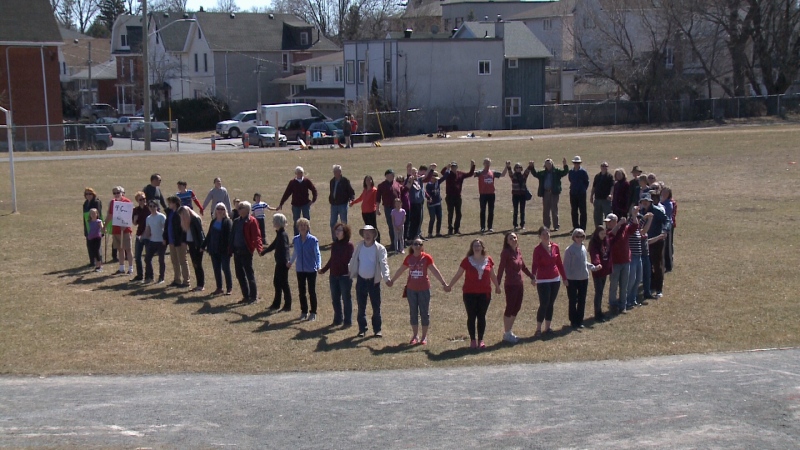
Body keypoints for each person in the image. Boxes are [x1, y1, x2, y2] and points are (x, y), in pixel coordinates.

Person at [387, 239, 448, 345]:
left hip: (424, 289)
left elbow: (435, 271)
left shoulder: (426, 258)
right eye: (415, 244)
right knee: (413, 313)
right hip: (411, 290)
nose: (417, 246)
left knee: (424, 313)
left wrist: (444, 283)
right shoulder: (409, 258)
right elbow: (401, 270)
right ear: (412, 246)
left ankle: (424, 337)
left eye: (420, 244)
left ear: (422, 246)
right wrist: (392, 280)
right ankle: (415, 336)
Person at [445, 239, 501, 349]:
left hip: (485, 293)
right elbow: (458, 274)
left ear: (482, 248)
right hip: (469, 293)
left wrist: (497, 287)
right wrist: (450, 285)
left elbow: (492, 275)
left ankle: (481, 340)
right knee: (471, 316)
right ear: (472, 248)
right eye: (475, 245)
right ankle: (473, 340)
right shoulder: (467, 261)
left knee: (481, 316)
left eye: (479, 245)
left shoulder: (488, 260)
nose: (477, 247)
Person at [349, 225, 391, 337]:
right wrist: (349, 271)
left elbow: (384, 264)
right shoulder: (359, 246)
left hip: (374, 282)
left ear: (374, 235)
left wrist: (387, 278)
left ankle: (377, 330)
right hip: (361, 281)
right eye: (365, 233)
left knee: (376, 307)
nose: (367, 235)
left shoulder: (380, 248)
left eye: (370, 233)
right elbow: (353, 260)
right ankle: (362, 329)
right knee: (361, 307)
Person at [530, 227, 567, 336]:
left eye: (547, 233)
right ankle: (538, 329)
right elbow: (535, 264)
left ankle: (548, 327)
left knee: (551, 303)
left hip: (555, 279)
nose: (546, 236)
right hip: (543, 280)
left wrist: (564, 278)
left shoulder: (555, 247)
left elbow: (559, 263)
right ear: (540, 236)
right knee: (544, 303)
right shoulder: (537, 249)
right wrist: (533, 277)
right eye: (543, 234)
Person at [496, 232, 533, 344]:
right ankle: (507, 333)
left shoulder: (518, 251)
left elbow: (523, 266)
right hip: (510, 284)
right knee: (510, 307)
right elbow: (501, 268)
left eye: (515, 237)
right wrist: (497, 285)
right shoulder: (505, 253)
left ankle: (508, 332)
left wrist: (532, 276)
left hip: (519, 283)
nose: (513, 239)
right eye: (511, 238)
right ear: (507, 241)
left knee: (517, 307)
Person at [563, 228, 600, 328]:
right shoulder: (569, 250)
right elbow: (565, 266)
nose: (580, 238)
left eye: (582, 236)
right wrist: (565, 279)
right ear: (573, 237)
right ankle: (573, 321)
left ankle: (579, 320)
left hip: (584, 278)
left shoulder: (583, 248)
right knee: (572, 300)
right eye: (577, 236)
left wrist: (593, 267)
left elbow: (584, 263)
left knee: (582, 300)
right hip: (572, 279)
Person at [319, 222, 355, 327]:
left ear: (345, 232)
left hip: (345, 277)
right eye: (336, 230)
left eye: (339, 230)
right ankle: (337, 319)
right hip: (333, 276)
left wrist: (350, 271)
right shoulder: (334, 245)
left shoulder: (349, 245)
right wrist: (324, 270)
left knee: (346, 299)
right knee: (335, 299)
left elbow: (351, 260)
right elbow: (332, 260)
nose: (337, 232)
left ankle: (347, 321)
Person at [230, 201, 262, 303]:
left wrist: (259, 249)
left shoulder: (252, 221)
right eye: (238, 207)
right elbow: (232, 236)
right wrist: (230, 249)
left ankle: (253, 296)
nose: (238, 209)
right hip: (237, 251)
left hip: (246, 250)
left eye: (241, 207)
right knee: (239, 274)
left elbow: (257, 236)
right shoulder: (236, 221)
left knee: (249, 274)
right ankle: (246, 296)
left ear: (247, 209)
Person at [290, 218, 322, 321]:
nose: (303, 227)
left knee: (311, 291)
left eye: (305, 226)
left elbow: (317, 253)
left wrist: (319, 265)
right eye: (301, 226)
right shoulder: (296, 240)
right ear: (298, 227)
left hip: (311, 270)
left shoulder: (313, 240)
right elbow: (295, 253)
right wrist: (290, 262)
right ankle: (304, 312)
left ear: (308, 227)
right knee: (301, 291)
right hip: (300, 269)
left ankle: (313, 312)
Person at [261, 214, 292, 311]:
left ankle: (287, 305)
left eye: (274, 221)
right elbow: (274, 245)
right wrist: (264, 251)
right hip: (280, 262)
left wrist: (286, 261)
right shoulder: (280, 233)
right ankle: (276, 304)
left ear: (278, 222)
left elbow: (286, 249)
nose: (273, 222)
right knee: (277, 283)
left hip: (282, 263)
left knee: (283, 284)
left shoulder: (283, 235)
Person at [640, 193, 668, 298]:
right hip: (645, 242)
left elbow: (667, 220)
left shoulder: (657, 211)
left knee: (657, 265)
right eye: (643, 201)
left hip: (657, 242)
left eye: (646, 201)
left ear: (650, 201)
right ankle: (651, 286)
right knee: (648, 265)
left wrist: (665, 230)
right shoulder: (641, 212)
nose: (644, 203)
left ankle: (659, 289)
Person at [605, 213, 635, 313]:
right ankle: (613, 305)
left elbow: (635, 227)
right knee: (613, 285)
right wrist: (619, 225)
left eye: (609, 222)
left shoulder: (625, 229)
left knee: (624, 285)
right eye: (607, 222)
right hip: (614, 263)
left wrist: (634, 215)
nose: (607, 224)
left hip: (626, 261)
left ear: (614, 221)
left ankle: (623, 306)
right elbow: (610, 236)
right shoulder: (608, 232)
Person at [277, 166, 318, 236]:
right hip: (295, 205)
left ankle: (308, 235)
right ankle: (296, 236)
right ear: (296, 173)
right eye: (298, 173)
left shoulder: (306, 181)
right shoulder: (292, 182)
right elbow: (287, 193)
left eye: (301, 172)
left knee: (307, 221)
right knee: (296, 221)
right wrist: (281, 203)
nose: (300, 174)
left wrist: (313, 200)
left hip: (305, 204)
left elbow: (314, 190)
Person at [202, 202, 233, 295]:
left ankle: (229, 288)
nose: (220, 211)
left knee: (225, 268)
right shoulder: (213, 221)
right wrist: (203, 246)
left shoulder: (228, 222)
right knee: (216, 269)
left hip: (224, 250)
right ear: (215, 210)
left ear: (225, 211)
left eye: (222, 209)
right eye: (218, 209)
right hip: (213, 249)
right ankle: (219, 288)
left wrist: (229, 250)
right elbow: (209, 235)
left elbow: (230, 237)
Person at [531, 158, 569, 231]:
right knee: (546, 210)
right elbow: (535, 174)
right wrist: (532, 167)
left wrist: (565, 165)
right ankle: (546, 226)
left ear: (552, 164)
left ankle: (556, 226)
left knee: (554, 209)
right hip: (546, 193)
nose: (548, 165)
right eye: (547, 164)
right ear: (545, 165)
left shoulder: (556, 172)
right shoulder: (542, 173)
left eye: (549, 163)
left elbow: (565, 172)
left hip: (554, 193)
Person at [472, 158, 508, 233]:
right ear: (483, 164)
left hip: (491, 194)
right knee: (483, 211)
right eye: (486, 163)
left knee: (491, 211)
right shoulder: (480, 172)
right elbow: (473, 173)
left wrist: (506, 166)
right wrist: (472, 165)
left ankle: (490, 227)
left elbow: (502, 174)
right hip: (483, 194)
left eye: (489, 163)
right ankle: (482, 227)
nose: (487, 164)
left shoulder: (492, 172)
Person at [441, 160, 475, 235]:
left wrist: (473, 166)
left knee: (459, 213)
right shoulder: (448, 173)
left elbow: (470, 174)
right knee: (450, 213)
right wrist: (447, 167)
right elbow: (442, 172)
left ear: (457, 167)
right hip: (449, 197)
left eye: (454, 166)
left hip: (458, 197)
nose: (453, 168)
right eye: (452, 167)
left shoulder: (460, 174)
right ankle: (450, 229)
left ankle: (456, 229)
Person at [107, 186, 133, 275]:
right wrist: (105, 226)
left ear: (122, 192)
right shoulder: (112, 203)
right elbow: (110, 215)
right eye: (114, 193)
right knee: (120, 249)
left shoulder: (127, 202)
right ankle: (121, 268)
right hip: (116, 229)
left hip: (125, 230)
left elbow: (129, 216)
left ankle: (131, 268)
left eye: (118, 192)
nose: (116, 194)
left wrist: (125, 226)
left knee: (128, 249)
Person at [164, 196, 190, 287]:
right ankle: (177, 280)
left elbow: (184, 228)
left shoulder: (181, 213)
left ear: (175, 203)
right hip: (171, 241)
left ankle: (186, 281)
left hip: (180, 241)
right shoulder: (170, 212)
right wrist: (165, 238)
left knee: (182, 260)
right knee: (174, 261)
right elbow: (167, 226)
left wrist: (183, 240)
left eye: (170, 202)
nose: (169, 204)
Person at [588, 226, 612, 322]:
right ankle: (597, 314)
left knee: (601, 292)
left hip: (604, 271)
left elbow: (609, 253)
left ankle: (600, 312)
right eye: (601, 233)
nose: (603, 235)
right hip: (598, 271)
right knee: (598, 292)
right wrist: (597, 263)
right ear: (597, 233)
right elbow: (595, 254)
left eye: (604, 233)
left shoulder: (606, 241)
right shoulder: (594, 243)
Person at [179, 206, 206, 292]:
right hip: (191, 245)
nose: (182, 216)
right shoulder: (185, 221)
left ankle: (201, 285)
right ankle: (198, 284)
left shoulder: (195, 219)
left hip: (197, 245)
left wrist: (202, 246)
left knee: (198, 264)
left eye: (183, 214)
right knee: (195, 264)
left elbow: (200, 233)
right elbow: (185, 233)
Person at [626, 207, 646, 309]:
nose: (638, 219)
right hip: (632, 257)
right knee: (631, 280)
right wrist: (634, 214)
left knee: (638, 279)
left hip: (639, 257)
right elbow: (634, 223)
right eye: (636, 218)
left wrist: (648, 218)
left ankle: (633, 299)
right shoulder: (629, 227)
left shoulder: (638, 230)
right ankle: (626, 300)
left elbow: (641, 224)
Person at [328, 165, 355, 241]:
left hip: (342, 204)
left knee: (343, 223)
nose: (335, 173)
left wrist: (351, 199)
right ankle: (335, 239)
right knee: (333, 223)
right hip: (334, 205)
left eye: (337, 171)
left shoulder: (345, 181)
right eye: (334, 171)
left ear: (340, 172)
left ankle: (344, 238)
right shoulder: (332, 181)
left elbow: (351, 192)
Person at [142, 201, 166, 284]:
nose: (152, 208)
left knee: (161, 260)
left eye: (153, 206)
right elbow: (147, 229)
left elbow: (165, 229)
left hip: (161, 241)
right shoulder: (148, 218)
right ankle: (150, 277)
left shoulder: (161, 217)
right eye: (150, 206)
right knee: (147, 259)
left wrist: (165, 239)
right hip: (152, 241)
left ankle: (161, 278)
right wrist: (143, 237)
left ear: (157, 207)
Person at [350, 175, 380, 242]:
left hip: (371, 212)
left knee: (374, 227)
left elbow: (376, 201)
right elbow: (361, 198)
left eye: (369, 180)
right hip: (364, 212)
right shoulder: (365, 190)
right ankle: (370, 241)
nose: (368, 181)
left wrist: (378, 209)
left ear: (372, 181)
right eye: (367, 180)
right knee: (367, 227)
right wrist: (353, 202)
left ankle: (378, 241)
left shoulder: (374, 190)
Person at [376, 169, 401, 246]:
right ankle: (393, 243)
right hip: (388, 208)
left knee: (399, 225)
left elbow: (400, 196)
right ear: (386, 176)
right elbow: (377, 198)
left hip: (397, 208)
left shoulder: (397, 184)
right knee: (391, 225)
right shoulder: (381, 186)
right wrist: (377, 209)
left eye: (393, 175)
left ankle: (400, 243)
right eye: (390, 175)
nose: (392, 176)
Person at [131, 192, 151, 281]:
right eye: (140, 199)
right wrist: (135, 220)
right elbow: (134, 223)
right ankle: (139, 275)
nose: (143, 201)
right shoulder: (135, 210)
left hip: (148, 235)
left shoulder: (150, 208)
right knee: (137, 256)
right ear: (137, 201)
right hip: (139, 235)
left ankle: (149, 276)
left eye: (144, 199)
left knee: (148, 257)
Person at [507, 161, 533, 231]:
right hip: (515, 195)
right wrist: (508, 166)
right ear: (515, 169)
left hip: (522, 195)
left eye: (520, 167)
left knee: (522, 211)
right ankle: (515, 225)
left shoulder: (523, 176)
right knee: (515, 210)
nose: (518, 169)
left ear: (521, 169)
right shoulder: (513, 176)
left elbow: (527, 171)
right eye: (517, 167)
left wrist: (530, 165)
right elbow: (510, 172)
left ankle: (522, 224)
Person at [82, 188, 103, 266]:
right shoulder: (85, 203)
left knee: (97, 247)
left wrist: (101, 227)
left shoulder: (96, 202)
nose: (88, 195)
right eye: (86, 194)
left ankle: (99, 261)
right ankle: (92, 261)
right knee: (90, 245)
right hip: (88, 226)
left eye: (90, 194)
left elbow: (99, 214)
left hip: (96, 227)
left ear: (93, 194)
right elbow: (85, 217)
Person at [568, 156, 590, 231]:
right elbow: (570, 180)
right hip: (573, 193)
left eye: (577, 163)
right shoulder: (571, 172)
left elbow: (586, 182)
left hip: (581, 194)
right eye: (575, 163)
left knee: (582, 211)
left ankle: (583, 227)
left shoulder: (583, 172)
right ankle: (575, 226)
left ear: (580, 163)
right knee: (574, 210)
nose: (576, 164)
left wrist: (583, 189)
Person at [591, 162, 614, 227]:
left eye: (605, 166)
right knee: (597, 216)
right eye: (603, 166)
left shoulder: (610, 176)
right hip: (597, 199)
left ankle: (608, 229)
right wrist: (591, 196)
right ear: (600, 167)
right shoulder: (597, 176)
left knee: (608, 216)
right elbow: (594, 187)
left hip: (606, 200)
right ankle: (598, 229)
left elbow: (612, 186)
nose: (604, 167)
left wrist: (610, 194)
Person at [405, 168, 425, 241]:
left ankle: (415, 236)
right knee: (412, 221)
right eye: (413, 173)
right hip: (412, 204)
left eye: (416, 173)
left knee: (418, 220)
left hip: (418, 203)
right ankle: (410, 237)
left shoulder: (418, 181)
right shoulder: (409, 181)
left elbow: (426, 177)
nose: (415, 174)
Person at [424, 169, 445, 237]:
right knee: (432, 219)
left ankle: (438, 232)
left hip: (438, 203)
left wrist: (447, 169)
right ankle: (430, 233)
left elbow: (444, 177)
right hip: (431, 205)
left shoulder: (437, 182)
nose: (435, 180)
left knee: (439, 218)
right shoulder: (428, 185)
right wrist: (429, 198)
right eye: (434, 178)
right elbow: (426, 193)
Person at [660, 186, 676, 272]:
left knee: (668, 247)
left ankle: (669, 265)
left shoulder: (668, 203)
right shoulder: (660, 202)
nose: (664, 194)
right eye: (663, 192)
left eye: (666, 193)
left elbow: (666, 214)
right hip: (661, 226)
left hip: (667, 227)